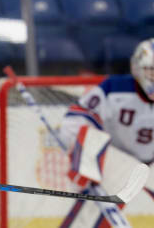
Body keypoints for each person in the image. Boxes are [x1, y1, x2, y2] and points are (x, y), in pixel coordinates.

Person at [58, 39, 154, 227]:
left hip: (150, 161)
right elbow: (76, 118)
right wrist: (84, 152)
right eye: (151, 70)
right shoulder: (114, 88)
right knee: (91, 216)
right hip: (116, 161)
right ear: (137, 68)